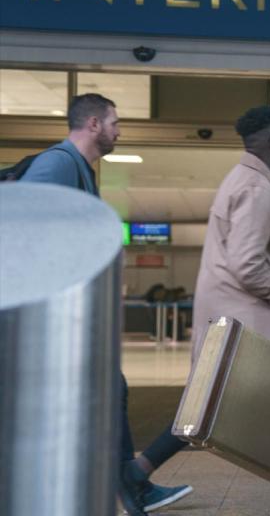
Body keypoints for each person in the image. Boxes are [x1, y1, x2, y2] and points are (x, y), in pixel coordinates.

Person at [21, 93, 193, 516]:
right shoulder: (58, 164)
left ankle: (126, 483)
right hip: (48, 313)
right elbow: (23, 225)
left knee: (109, 388)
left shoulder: (77, 169)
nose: (119, 130)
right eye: (115, 122)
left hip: (65, 312)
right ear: (94, 124)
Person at [191, 105, 270, 516]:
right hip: (253, 316)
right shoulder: (257, 190)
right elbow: (247, 262)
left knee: (215, 403)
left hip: (240, 312)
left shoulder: (247, 181)